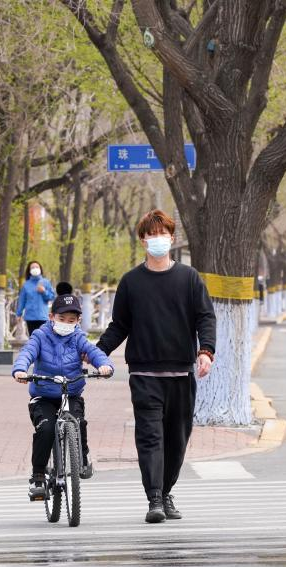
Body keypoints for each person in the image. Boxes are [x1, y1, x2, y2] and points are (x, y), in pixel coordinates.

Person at [96, 209, 216, 524]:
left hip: (181, 374)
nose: (158, 239)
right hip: (144, 375)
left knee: (177, 441)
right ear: (143, 240)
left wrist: (206, 351)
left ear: (172, 238)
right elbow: (119, 325)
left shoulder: (189, 278)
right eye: (152, 235)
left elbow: (205, 317)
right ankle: (154, 500)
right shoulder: (131, 282)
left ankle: (166, 491)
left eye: (163, 234)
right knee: (150, 438)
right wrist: (97, 352)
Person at [13, 283, 114, 500]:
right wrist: (20, 369)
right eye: (62, 318)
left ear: (78, 321)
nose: (66, 323)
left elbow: (93, 352)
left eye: (71, 320)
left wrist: (105, 365)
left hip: (71, 393)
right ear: (51, 317)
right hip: (43, 395)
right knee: (46, 429)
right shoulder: (40, 335)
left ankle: (82, 459)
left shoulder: (78, 337)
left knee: (79, 422)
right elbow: (27, 352)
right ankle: (38, 477)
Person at [16, 261, 56, 335]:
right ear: (29, 270)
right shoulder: (26, 285)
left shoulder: (46, 282)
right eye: (32, 267)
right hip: (30, 317)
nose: (35, 269)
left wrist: (44, 291)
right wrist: (19, 314)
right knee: (33, 338)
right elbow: (22, 301)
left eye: (37, 267)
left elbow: (52, 297)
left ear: (40, 269)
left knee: (44, 338)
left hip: (43, 316)